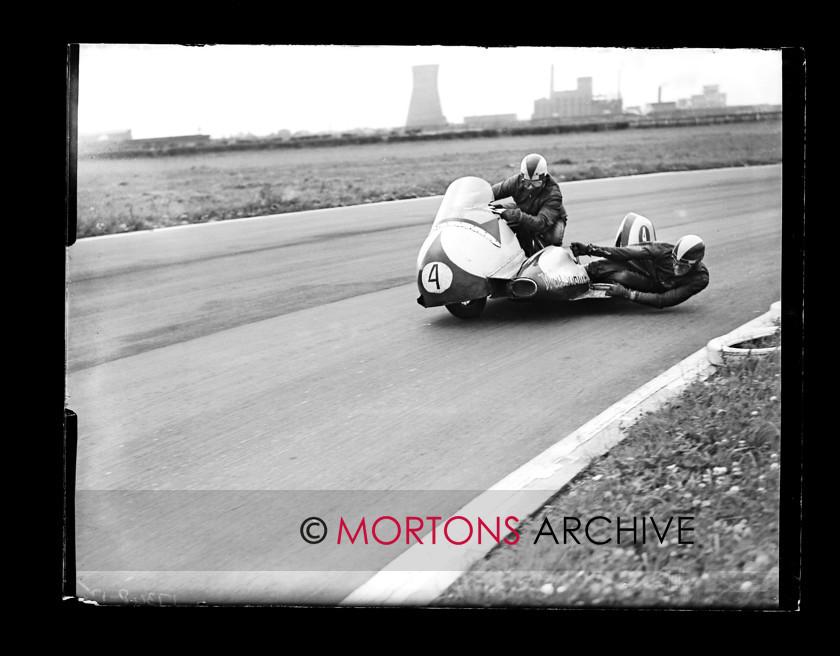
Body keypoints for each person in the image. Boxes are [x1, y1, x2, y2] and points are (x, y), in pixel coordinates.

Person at [570, 235, 709, 308]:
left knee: (623, 277)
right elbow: (624, 253)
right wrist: (590, 249)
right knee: (602, 266)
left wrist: (627, 294)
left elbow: (664, 300)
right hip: (641, 268)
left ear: (695, 264)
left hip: (655, 288)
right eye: (674, 261)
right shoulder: (662, 250)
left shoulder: (700, 279)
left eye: (683, 266)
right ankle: (576, 274)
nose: (676, 268)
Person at [492, 153, 569, 256]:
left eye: (536, 183)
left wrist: (518, 216)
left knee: (554, 239)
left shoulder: (553, 194)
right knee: (494, 212)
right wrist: (476, 196)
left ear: (544, 178)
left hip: (550, 220)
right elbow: (493, 192)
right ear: (522, 177)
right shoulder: (516, 181)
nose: (530, 187)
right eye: (527, 183)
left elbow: (541, 223)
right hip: (525, 209)